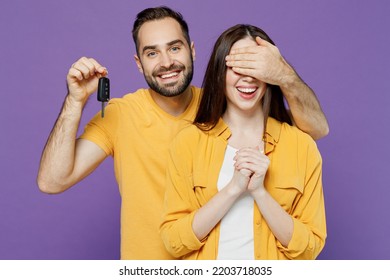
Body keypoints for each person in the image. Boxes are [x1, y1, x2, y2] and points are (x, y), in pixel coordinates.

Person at [37, 6, 328, 260]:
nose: (166, 62)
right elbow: (52, 181)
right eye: (152, 53)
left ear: (192, 50)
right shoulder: (121, 115)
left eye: (174, 48)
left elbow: (314, 130)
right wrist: (75, 101)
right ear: (139, 64)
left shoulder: (226, 107)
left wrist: (283, 74)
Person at [160, 24, 326, 260]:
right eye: (238, 67)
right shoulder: (188, 142)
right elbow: (174, 242)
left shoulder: (301, 146)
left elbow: (310, 248)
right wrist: (233, 189)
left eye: (256, 67)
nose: (247, 77)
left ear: (271, 76)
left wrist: (259, 192)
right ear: (220, 73)